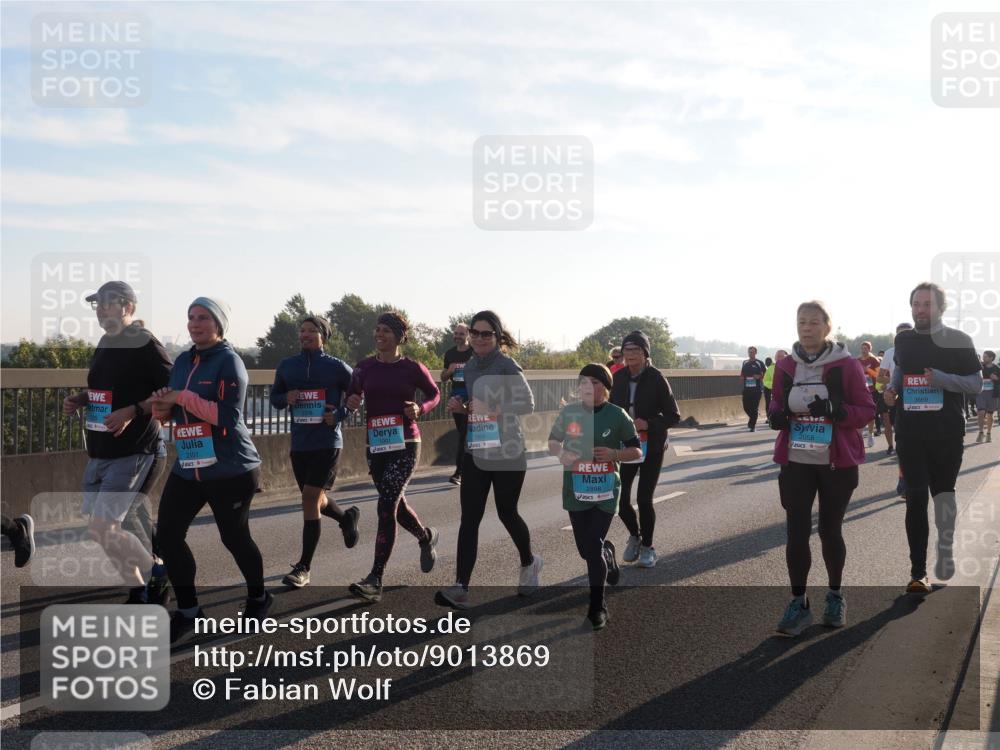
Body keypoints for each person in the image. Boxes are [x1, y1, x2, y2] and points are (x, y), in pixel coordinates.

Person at [151, 298, 270, 642]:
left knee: (234, 538)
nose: (194, 323)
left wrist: (181, 397)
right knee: (168, 537)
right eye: (190, 317)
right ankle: (188, 612)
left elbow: (227, 419)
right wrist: (163, 407)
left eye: (203, 317)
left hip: (231, 469)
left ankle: (259, 598)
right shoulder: (184, 360)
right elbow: (173, 414)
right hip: (189, 466)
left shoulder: (230, 363)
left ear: (218, 324)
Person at [61, 280, 172, 605]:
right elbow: (108, 388)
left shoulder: (144, 343)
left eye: (109, 303)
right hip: (102, 450)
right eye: (98, 304)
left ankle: (157, 572)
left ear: (129, 307)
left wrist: (132, 411)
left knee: (103, 528)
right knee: (107, 532)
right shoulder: (106, 343)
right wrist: (82, 398)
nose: (101, 309)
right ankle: (138, 589)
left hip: (135, 449)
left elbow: (171, 391)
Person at [768, 301, 874, 636]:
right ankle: (798, 603)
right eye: (802, 321)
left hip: (836, 461)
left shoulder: (846, 365)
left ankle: (835, 595)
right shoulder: (785, 366)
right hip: (796, 460)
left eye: (814, 322)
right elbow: (774, 402)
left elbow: (867, 409)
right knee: (796, 532)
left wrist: (836, 410)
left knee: (830, 531)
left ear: (828, 327)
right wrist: (777, 416)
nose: (807, 327)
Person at [436, 310, 541, 609]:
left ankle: (529, 563)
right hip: (477, 449)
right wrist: (463, 406)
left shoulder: (506, 365)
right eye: (475, 333)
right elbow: (476, 406)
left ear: (496, 336)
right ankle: (461, 586)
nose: (479, 338)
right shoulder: (468, 367)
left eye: (486, 334)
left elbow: (528, 403)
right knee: (469, 518)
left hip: (508, 451)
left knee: (507, 513)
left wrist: (490, 404)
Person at [884, 283, 982, 594]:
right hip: (910, 432)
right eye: (916, 304)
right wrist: (892, 391)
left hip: (946, 434)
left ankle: (945, 549)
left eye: (927, 304)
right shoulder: (904, 339)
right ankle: (918, 572)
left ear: (942, 307)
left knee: (943, 496)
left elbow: (976, 384)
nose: (920, 310)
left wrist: (941, 379)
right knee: (915, 498)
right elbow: (900, 370)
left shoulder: (958, 341)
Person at [346, 312, 441, 603]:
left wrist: (420, 409)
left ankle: (375, 578)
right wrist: (350, 402)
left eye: (386, 330)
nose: (379, 335)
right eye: (377, 330)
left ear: (399, 336)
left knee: (386, 504)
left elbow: (434, 394)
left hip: (406, 444)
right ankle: (425, 537)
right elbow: (351, 396)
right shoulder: (363, 368)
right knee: (394, 506)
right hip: (376, 446)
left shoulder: (412, 368)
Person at [549, 364, 642, 630]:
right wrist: (561, 454)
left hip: (605, 491)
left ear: (606, 387)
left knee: (591, 545)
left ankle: (597, 606)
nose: (589, 387)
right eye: (584, 383)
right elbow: (553, 441)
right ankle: (606, 555)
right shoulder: (570, 412)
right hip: (576, 490)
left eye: (596, 383)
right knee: (586, 549)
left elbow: (636, 451)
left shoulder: (617, 415)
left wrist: (614, 454)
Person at [270, 316, 358, 588]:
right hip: (300, 444)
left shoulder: (336, 367)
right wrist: (286, 398)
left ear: (323, 337)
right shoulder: (287, 366)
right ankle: (346, 518)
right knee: (315, 499)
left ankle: (303, 567)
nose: (305, 335)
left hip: (328, 442)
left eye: (311, 331)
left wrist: (341, 414)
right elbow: (274, 399)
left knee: (309, 497)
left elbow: (357, 396)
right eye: (302, 331)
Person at [609, 330, 680, 569]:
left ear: (645, 353)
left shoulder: (656, 378)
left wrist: (648, 423)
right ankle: (635, 535)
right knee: (620, 497)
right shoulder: (617, 378)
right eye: (626, 350)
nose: (630, 355)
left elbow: (673, 415)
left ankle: (648, 547)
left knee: (644, 498)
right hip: (626, 445)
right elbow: (609, 409)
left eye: (636, 350)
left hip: (652, 445)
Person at [877, 322, 913, 480]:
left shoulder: (923, 350)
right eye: (900, 334)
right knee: (901, 438)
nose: (904, 337)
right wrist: (884, 389)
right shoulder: (890, 353)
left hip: (919, 399)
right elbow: (880, 375)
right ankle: (902, 476)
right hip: (896, 397)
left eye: (907, 334)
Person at [441, 323, 474, 486]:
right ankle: (467, 468)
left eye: (461, 334)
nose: (458, 336)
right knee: (463, 433)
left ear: (468, 335)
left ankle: (459, 472)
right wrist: (450, 371)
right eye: (456, 333)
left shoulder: (474, 352)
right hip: (456, 399)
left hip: (473, 398)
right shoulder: (450, 354)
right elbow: (443, 377)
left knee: (464, 435)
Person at [857, 341, 881, 448]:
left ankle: (870, 435)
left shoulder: (874, 360)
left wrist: (867, 370)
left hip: (872, 390)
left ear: (870, 349)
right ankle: (859, 436)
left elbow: (879, 375)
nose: (864, 350)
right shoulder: (856, 361)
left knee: (871, 413)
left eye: (866, 348)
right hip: (860, 390)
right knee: (860, 413)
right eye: (862, 348)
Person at [740, 346, 767, 431]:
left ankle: (752, 425)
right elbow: (742, 374)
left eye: (752, 352)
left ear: (755, 353)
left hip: (757, 389)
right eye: (749, 352)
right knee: (746, 407)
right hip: (747, 389)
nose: (751, 353)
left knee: (754, 407)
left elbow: (766, 375)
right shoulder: (745, 362)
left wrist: (759, 376)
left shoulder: (759, 363)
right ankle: (753, 417)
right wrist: (742, 378)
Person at [975, 350, 999, 443]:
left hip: (992, 394)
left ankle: (988, 433)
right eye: (983, 356)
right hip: (981, 393)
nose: (984, 358)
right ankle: (981, 432)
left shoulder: (997, 368)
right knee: (980, 412)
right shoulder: (980, 367)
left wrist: (996, 379)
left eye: (985, 357)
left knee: (990, 414)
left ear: (991, 358)